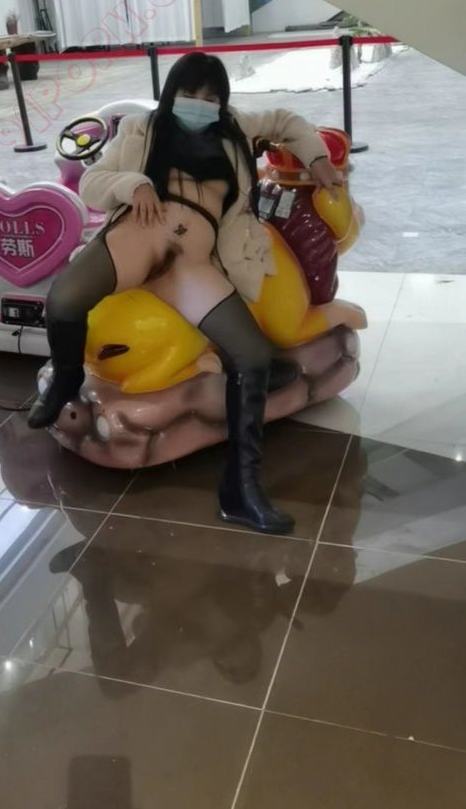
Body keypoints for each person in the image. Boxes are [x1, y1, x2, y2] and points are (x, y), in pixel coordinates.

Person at [28, 52, 340, 535]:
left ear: (222, 100)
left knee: (253, 356)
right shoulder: (141, 129)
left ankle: (241, 490)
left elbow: (287, 120)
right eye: (189, 93)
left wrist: (317, 158)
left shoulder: (236, 127)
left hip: (191, 262)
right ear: (172, 92)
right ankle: (67, 378)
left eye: (210, 96)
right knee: (65, 300)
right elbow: (92, 181)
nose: (199, 103)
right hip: (138, 238)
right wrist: (132, 185)